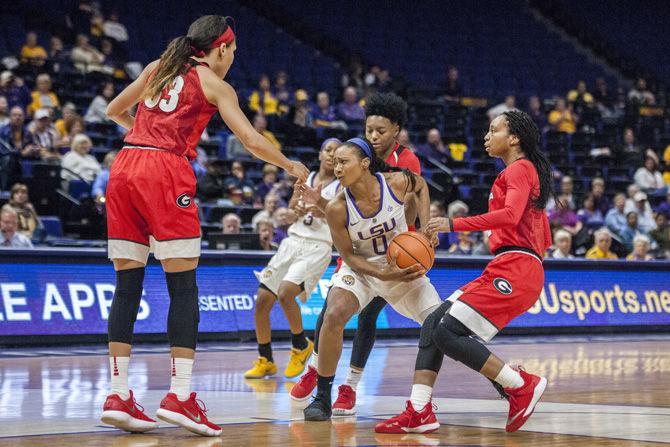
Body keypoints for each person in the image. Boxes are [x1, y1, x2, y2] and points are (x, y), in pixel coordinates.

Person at [100, 15, 308, 437]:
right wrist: (289, 165)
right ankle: (179, 396)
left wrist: (144, 139)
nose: (232, 59)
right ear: (221, 49)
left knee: (127, 286)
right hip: (164, 171)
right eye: (232, 52)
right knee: (183, 285)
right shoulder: (214, 83)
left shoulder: (158, 67)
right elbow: (250, 140)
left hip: (124, 167)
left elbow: (113, 110)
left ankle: (118, 394)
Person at [377, 110, 552, 434]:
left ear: (513, 138)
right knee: (433, 323)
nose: (487, 136)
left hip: (517, 268)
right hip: (508, 264)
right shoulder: (523, 173)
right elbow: (536, 229)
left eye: (493, 130)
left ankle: (519, 385)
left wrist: (453, 225)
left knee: (447, 331)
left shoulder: (519, 169)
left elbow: (511, 216)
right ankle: (419, 411)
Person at [290, 92, 422, 414]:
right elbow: (340, 213)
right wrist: (314, 202)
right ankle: (316, 368)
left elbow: (416, 203)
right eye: (369, 130)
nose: (374, 137)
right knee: (329, 312)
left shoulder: (406, 162)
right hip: (359, 244)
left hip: (394, 248)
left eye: (381, 131)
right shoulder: (355, 158)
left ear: (396, 131)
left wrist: (420, 236)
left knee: (368, 315)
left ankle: (350, 385)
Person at [299, 138, 441, 421]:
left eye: (344, 162)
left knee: (442, 326)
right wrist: (380, 273)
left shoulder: (397, 182)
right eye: (335, 162)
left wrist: (425, 228)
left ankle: (503, 383)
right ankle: (322, 396)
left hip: (401, 267)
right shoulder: (337, 208)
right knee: (333, 314)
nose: (337, 168)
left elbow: (422, 186)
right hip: (362, 271)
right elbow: (349, 258)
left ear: (364, 163)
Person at [244, 138, 341, 380]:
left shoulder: (342, 186)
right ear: (320, 153)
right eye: (328, 149)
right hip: (293, 241)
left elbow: (337, 216)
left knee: (287, 293)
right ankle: (265, 359)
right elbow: (291, 211)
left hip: (317, 245)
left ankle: (300, 345)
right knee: (262, 301)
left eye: (337, 152)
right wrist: (291, 212)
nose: (331, 155)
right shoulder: (307, 178)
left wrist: (314, 205)